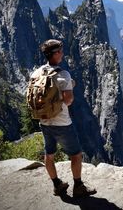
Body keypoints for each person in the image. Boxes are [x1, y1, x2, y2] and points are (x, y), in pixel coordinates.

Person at [30, 39, 96, 197]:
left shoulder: (36, 73)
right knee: (76, 154)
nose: (62, 53)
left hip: (44, 121)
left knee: (49, 154)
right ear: (55, 54)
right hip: (62, 123)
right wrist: (69, 86)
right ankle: (78, 186)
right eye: (60, 51)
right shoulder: (63, 74)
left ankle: (57, 185)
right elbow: (68, 100)